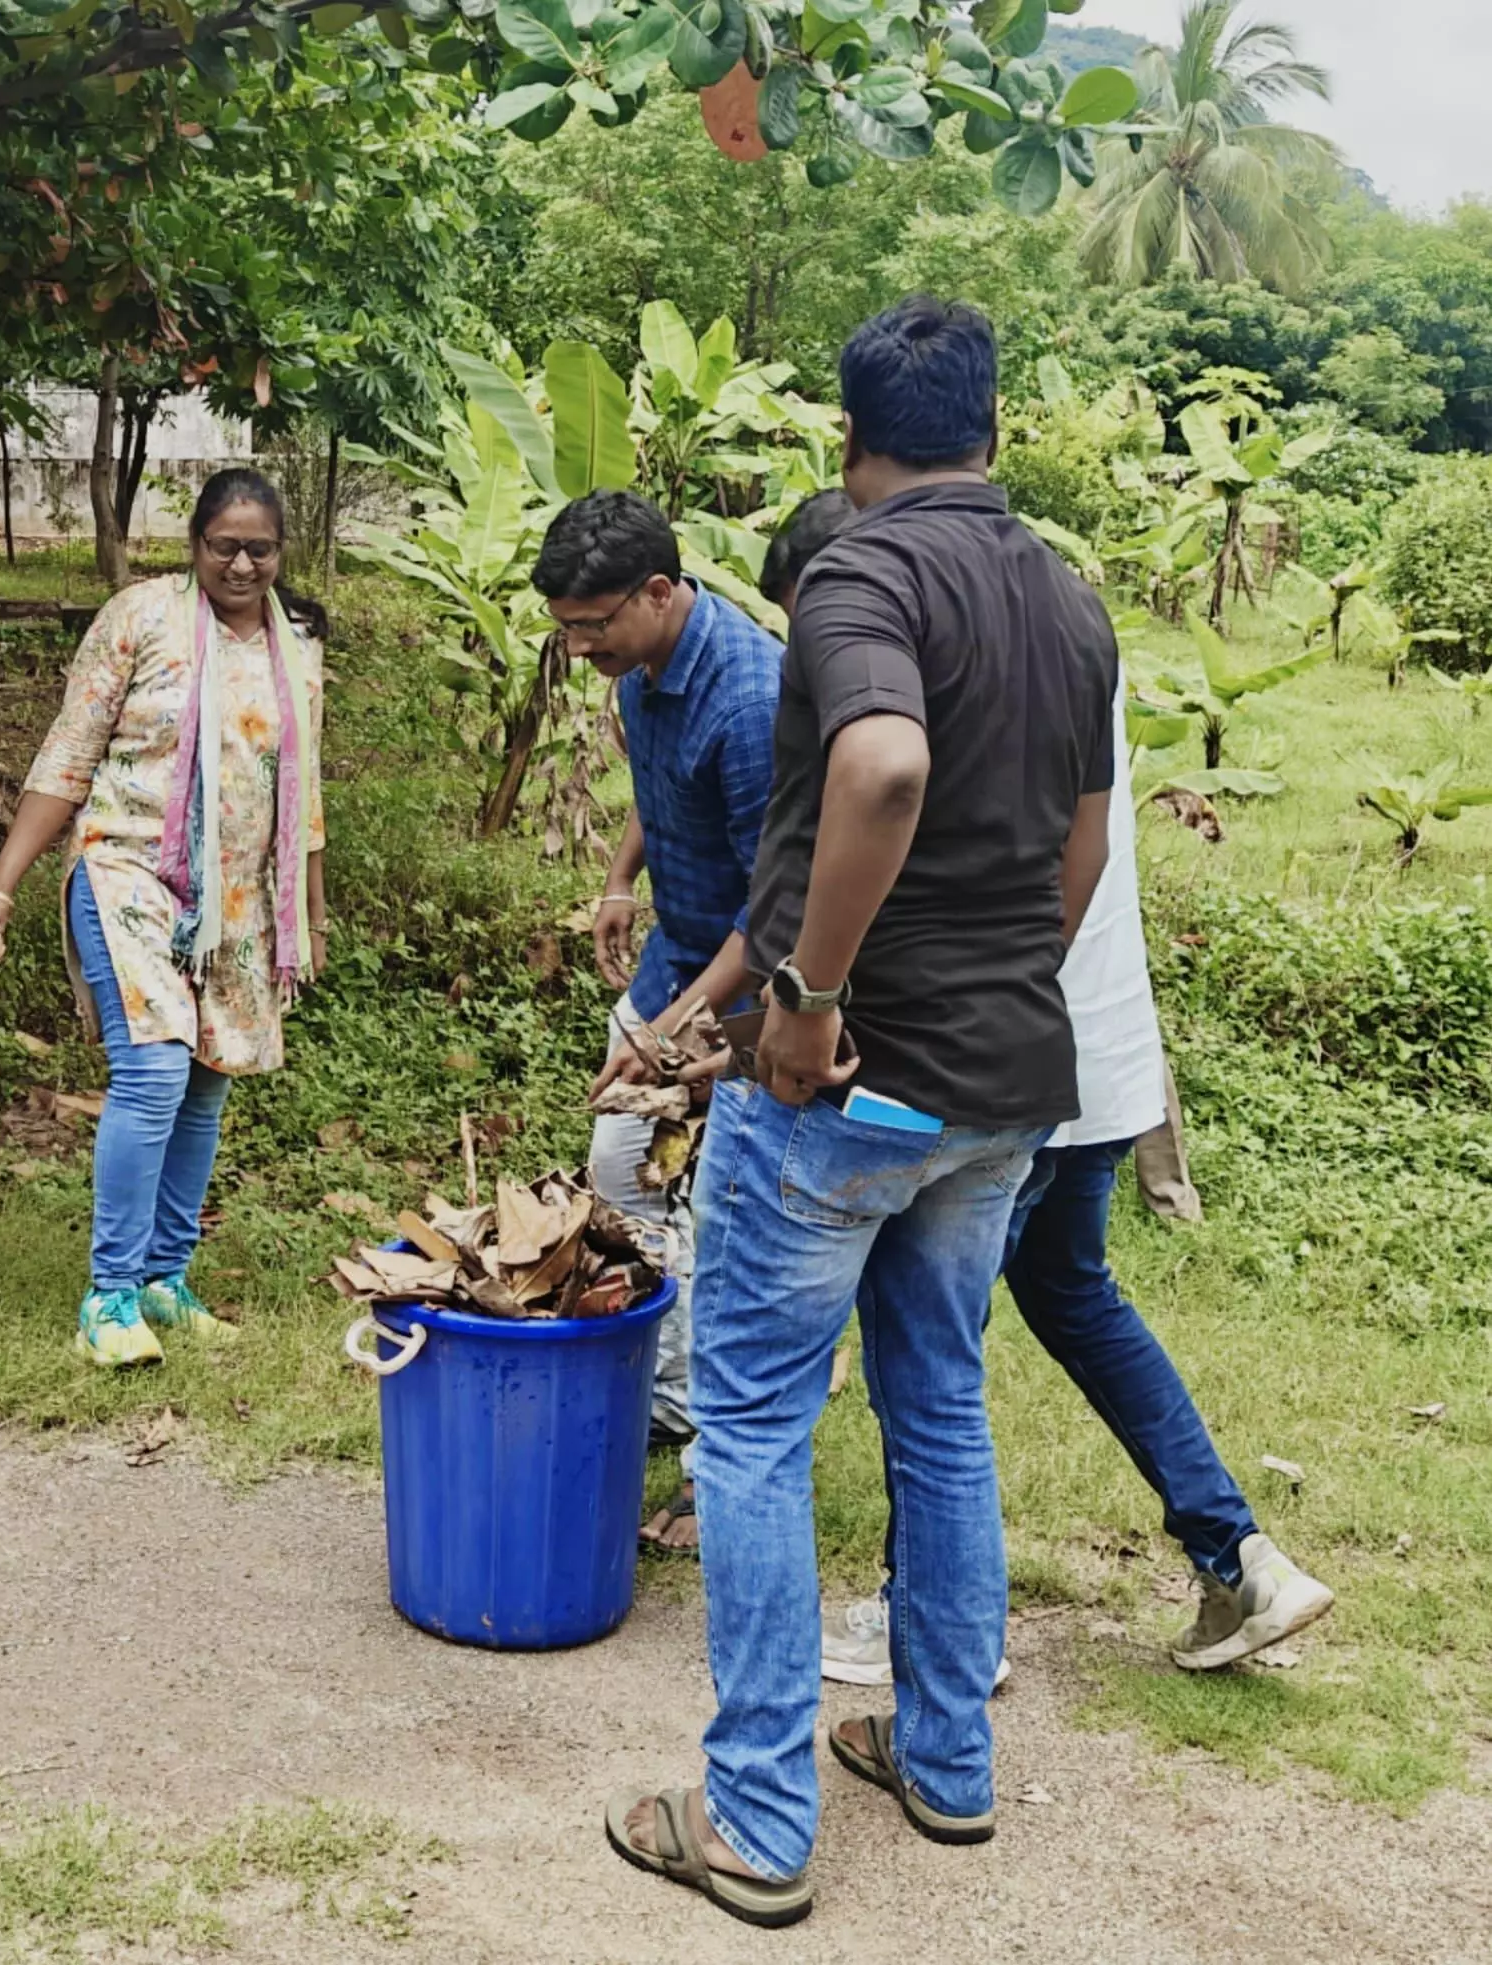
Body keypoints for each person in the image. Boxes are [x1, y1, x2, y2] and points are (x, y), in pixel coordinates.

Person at [606, 298, 1116, 1927]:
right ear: (995, 430)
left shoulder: (861, 571)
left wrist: (812, 995)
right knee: (940, 1407)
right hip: (1002, 1088)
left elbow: (881, 766)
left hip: (845, 1091)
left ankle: (759, 1824)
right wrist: (995, 979)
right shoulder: (1068, 596)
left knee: (754, 1426)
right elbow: (1084, 845)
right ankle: (946, 1761)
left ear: (850, 441)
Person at [818, 558, 1333, 1685]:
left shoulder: (945, 648)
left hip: (1006, 1067)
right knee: (1070, 1295)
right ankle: (1241, 1558)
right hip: (1096, 1053)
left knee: (931, 1350)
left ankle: (931, 1616)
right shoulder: (1067, 627)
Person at [0, 468, 329, 1369]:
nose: (240, 564)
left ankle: (163, 1278)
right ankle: (108, 1295)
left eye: (259, 549)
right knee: (152, 1069)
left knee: (206, 1079)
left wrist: (308, 911)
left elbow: (301, 786)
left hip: (237, 895)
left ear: (281, 551)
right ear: (194, 544)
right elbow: (67, 754)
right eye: (223, 546)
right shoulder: (140, 617)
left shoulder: (296, 644)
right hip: (125, 868)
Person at [547, 488, 785, 1476]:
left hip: (751, 985)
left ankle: (699, 1408)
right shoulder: (640, 667)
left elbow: (775, 911)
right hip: (677, 953)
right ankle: (670, 1389)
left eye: (590, 627)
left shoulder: (751, 700)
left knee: (717, 1195)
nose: (577, 650)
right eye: (563, 629)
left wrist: (676, 1033)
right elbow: (658, 783)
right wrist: (619, 878)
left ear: (656, 590)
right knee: (622, 1166)